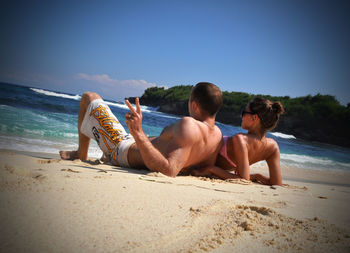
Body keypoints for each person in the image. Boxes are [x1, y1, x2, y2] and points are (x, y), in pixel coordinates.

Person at [60, 82, 223, 177]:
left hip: (120, 150)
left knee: (89, 97)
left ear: (194, 105)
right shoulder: (218, 135)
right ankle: (99, 152)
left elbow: (169, 171)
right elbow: (203, 168)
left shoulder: (189, 125)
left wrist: (137, 132)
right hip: (129, 147)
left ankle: (82, 153)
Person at [192, 97, 284, 186]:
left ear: (254, 118)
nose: (241, 116)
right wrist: (257, 176)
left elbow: (243, 180)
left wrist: (211, 169)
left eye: (244, 113)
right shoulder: (273, 147)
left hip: (194, 158)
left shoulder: (241, 140)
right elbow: (277, 183)